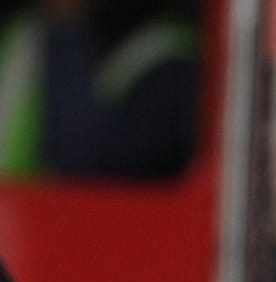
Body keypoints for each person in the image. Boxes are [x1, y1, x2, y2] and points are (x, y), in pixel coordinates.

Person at [0, 1, 200, 181]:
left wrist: (67, 22)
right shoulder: (25, 27)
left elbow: (82, 167)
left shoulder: (174, 67)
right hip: (16, 216)